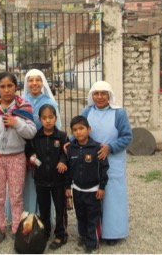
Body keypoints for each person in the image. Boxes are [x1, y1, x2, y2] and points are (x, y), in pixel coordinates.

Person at [0, 72, 37, 246]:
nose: (6, 90)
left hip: (16, 158)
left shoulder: (24, 107)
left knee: (16, 196)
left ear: (15, 87)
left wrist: (16, 123)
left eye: (10, 86)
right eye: (2, 86)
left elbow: (31, 132)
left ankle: (17, 229)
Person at [80, 81, 132, 245]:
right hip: (90, 163)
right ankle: (90, 232)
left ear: (109, 95)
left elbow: (127, 137)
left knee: (112, 197)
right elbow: (79, 130)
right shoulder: (87, 112)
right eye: (96, 93)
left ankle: (113, 233)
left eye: (103, 93)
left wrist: (110, 147)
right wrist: (71, 143)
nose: (100, 97)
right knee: (91, 196)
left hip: (113, 161)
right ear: (92, 96)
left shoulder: (119, 114)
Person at [6, 69, 61, 220]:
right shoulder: (19, 102)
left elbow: (58, 127)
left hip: (45, 149)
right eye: (30, 80)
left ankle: (42, 219)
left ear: (43, 82)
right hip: (23, 149)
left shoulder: (50, 102)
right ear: (26, 83)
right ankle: (22, 219)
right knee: (23, 184)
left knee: (44, 182)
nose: (34, 83)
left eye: (38, 80)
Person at [25, 104, 69, 250]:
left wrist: (63, 161)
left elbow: (66, 152)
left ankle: (61, 235)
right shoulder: (35, 137)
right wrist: (33, 158)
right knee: (44, 209)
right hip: (41, 180)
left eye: (51, 117)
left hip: (59, 181)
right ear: (40, 119)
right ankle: (45, 232)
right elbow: (29, 151)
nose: (48, 121)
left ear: (56, 118)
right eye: (44, 118)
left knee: (60, 208)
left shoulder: (62, 136)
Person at [65, 115, 109, 253]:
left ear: (88, 129)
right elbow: (68, 169)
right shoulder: (71, 148)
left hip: (93, 191)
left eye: (81, 128)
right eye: (75, 130)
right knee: (81, 216)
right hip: (77, 190)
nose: (78, 132)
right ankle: (83, 236)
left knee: (93, 217)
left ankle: (92, 242)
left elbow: (103, 169)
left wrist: (102, 187)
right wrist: (67, 187)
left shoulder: (97, 148)